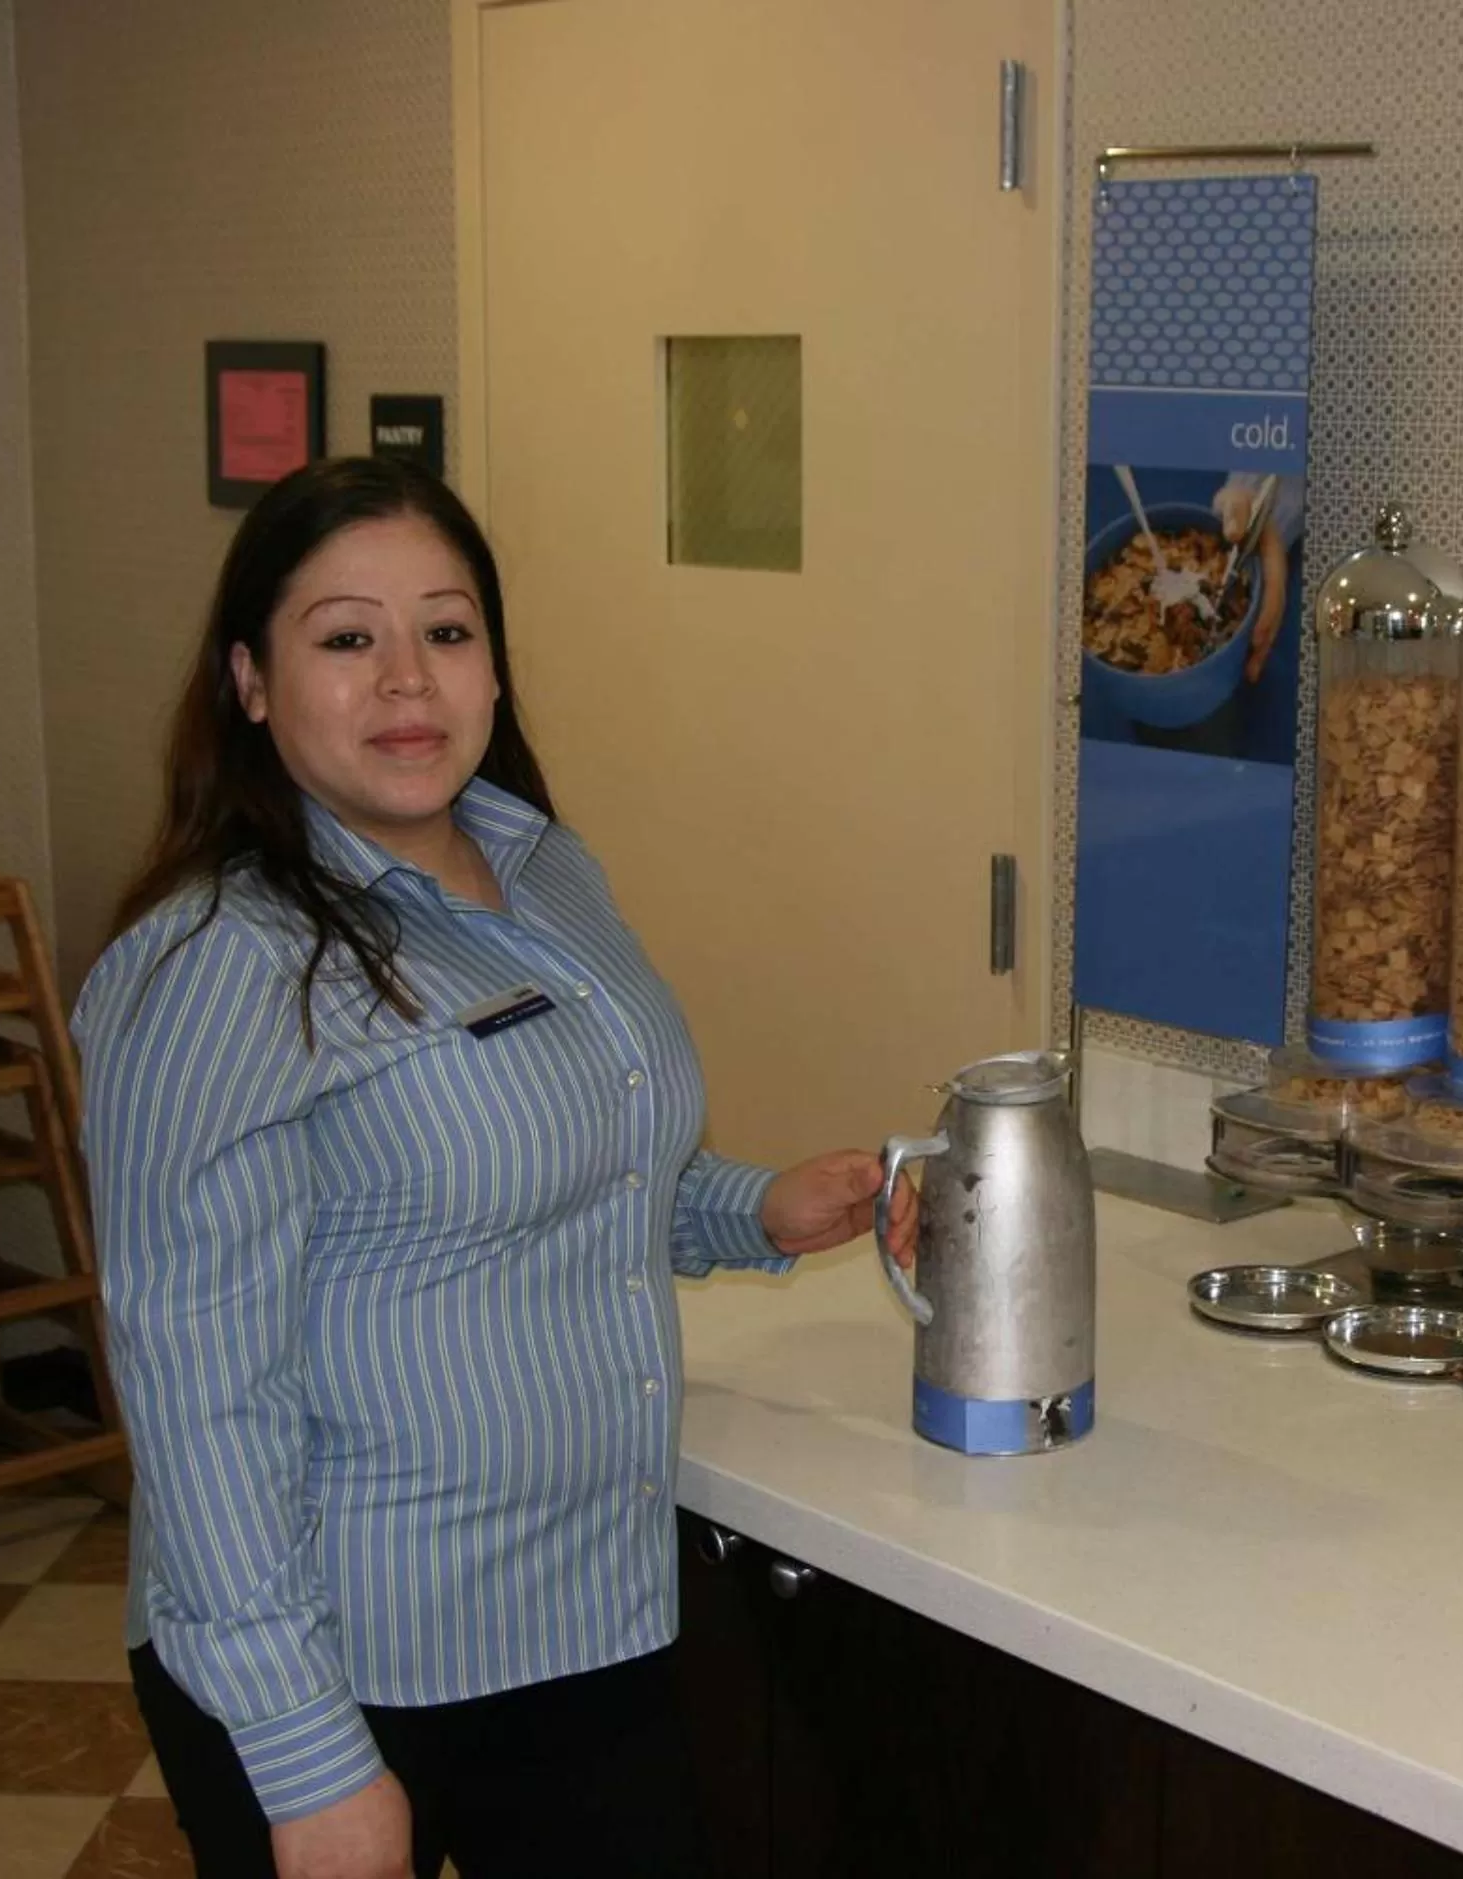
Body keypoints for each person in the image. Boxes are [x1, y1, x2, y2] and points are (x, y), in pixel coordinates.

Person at [74, 455, 918, 1878]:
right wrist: (308, 1758)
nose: (409, 679)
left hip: (584, 1607)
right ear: (251, 681)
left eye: (448, 631)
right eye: (347, 637)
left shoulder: (540, 866)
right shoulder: (221, 968)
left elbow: (566, 1165)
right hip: (351, 1656)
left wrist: (749, 1206)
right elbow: (198, 1396)